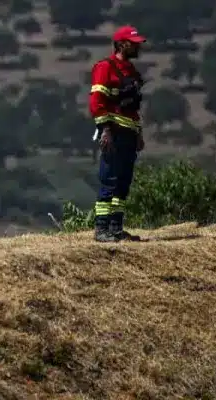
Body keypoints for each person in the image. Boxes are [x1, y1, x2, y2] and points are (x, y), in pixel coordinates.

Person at [89, 26, 148, 243]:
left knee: (123, 182)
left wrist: (138, 133)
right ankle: (101, 229)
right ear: (122, 44)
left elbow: (133, 108)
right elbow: (97, 102)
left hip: (129, 133)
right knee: (109, 180)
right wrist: (105, 130)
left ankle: (116, 227)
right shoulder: (105, 68)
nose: (138, 46)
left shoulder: (131, 71)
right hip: (113, 133)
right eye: (134, 43)